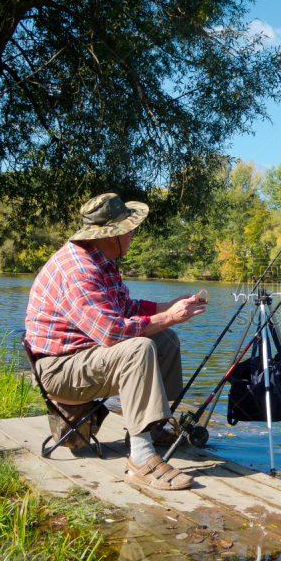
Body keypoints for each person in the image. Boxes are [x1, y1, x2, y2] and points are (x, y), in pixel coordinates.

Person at [25, 193, 207, 490]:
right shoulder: (79, 270)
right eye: (131, 229)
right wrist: (170, 316)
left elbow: (124, 307)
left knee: (165, 340)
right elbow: (111, 333)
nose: (134, 234)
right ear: (114, 235)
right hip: (58, 372)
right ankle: (141, 458)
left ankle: (152, 427)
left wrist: (167, 307)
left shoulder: (101, 260)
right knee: (139, 348)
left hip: (82, 357)